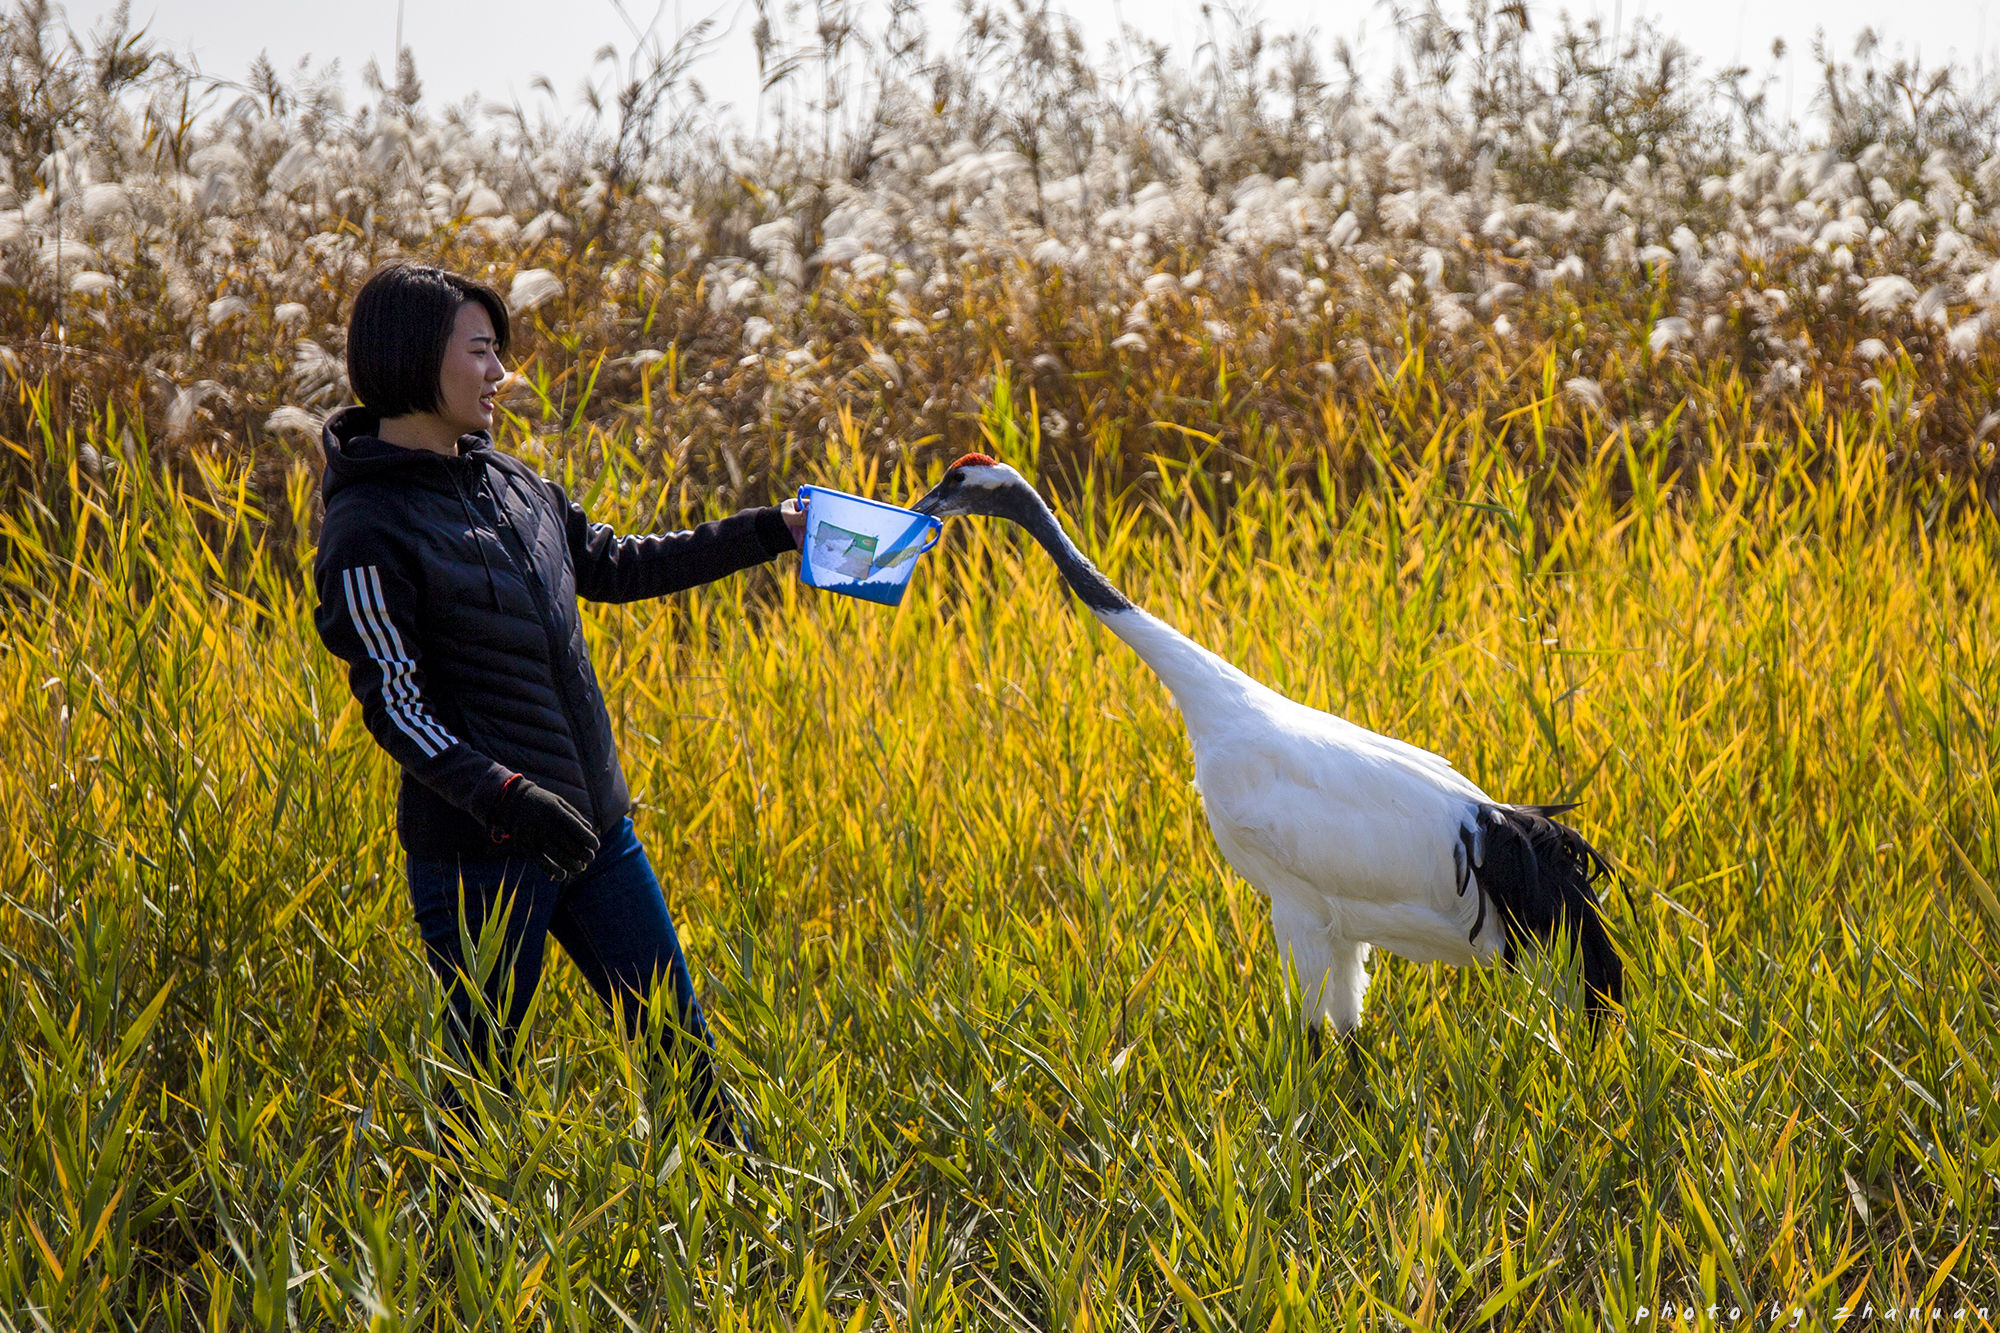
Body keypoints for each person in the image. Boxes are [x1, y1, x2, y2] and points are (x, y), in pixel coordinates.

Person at [312, 261, 802, 1153]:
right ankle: (455, 1281)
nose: (502, 374)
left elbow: (621, 564)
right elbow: (395, 700)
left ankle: (754, 1247)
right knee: (481, 1096)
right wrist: (507, 798)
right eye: (483, 351)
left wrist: (770, 530)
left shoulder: (513, 485)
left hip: (594, 831)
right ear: (419, 358)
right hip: (483, 856)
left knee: (685, 1059)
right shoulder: (366, 529)